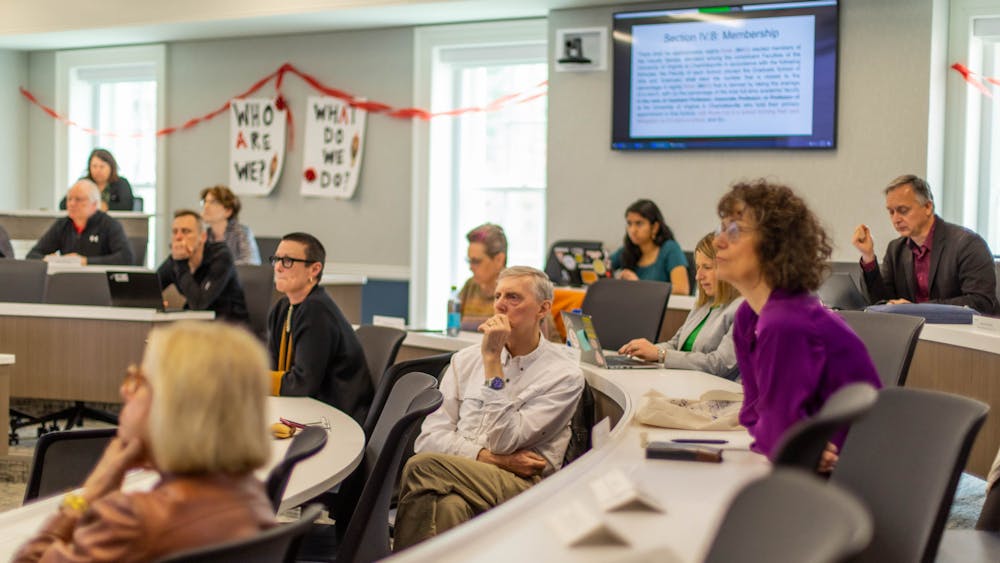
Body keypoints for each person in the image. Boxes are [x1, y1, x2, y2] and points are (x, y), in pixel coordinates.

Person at [13, 321, 275, 562]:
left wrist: (87, 495)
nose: (124, 391)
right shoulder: (251, 493)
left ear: (174, 407)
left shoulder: (134, 520)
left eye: (138, 381)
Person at [393, 266, 585, 550]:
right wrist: (493, 459)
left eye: (514, 297)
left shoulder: (563, 376)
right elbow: (428, 438)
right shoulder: (464, 360)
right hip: (468, 474)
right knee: (450, 506)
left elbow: (505, 440)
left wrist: (492, 360)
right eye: (498, 296)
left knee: (422, 467)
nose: (500, 305)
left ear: (543, 309)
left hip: (525, 486)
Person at [713, 179, 882, 468]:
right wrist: (784, 440)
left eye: (735, 231)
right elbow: (755, 419)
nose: (718, 240)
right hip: (810, 472)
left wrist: (786, 441)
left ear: (774, 246)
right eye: (722, 228)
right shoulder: (748, 317)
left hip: (857, 478)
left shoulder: (786, 323)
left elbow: (778, 437)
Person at [852, 174, 999, 315]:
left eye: (903, 210)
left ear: (928, 207)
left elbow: (981, 302)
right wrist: (868, 256)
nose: (896, 219)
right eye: (891, 212)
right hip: (918, 333)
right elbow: (881, 303)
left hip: (965, 336)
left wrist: (917, 309)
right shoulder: (896, 249)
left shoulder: (968, 244)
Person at [267, 232, 372, 425]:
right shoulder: (281, 309)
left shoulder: (316, 310)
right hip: (302, 412)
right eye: (276, 259)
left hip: (336, 420)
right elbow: (272, 366)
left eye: (288, 260)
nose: (278, 267)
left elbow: (302, 384)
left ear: (314, 269)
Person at [617, 232, 743, 379]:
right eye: (698, 267)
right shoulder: (703, 304)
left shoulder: (744, 310)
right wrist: (645, 349)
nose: (698, 276)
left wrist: (660, 355)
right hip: (688, 384)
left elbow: (719, 364)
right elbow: (675, 345)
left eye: (707, 267)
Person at [156, 209, 248, 323]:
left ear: (203, 237)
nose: (178, 237)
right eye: (175, 232)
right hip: (197, 326)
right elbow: (149, 288)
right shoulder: (174, 261)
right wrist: (153, 303)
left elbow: (199, 304)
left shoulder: (221, 257)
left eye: (185, 231)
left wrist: (181, 264)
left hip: (229, 327)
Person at [27, 180, 134, 265]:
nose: (72, 204)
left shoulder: (109, 225)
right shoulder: (63, 225)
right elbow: (32, 255)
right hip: (67, 282)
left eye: (78, 199)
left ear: (94, 204)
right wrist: (50, 260)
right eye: (69, 199)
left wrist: (85, 261)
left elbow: (126, 258)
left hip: (99, 282)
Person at [609, 199, 689, 294]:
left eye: (639, 224)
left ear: (654, 227)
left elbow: (682, 289)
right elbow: (599, 269)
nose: (632, 230)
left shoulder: (670, 248)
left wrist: (639, 285)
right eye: (629, 224)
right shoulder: (626, 250)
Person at [458, 223, 507, 330]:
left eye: (476, 261)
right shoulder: (470, 286)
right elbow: (454, 329)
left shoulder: (516, 291)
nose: (470, 267)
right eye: (469, 261)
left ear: (499, 260)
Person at [200, 185, 262, 265]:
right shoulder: (205, 235)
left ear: (228, 211)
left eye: (213, 202)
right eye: (205, 201)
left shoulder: (242, 232)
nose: (206, 206)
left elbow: (252, 264)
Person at [59, 148, 135, 212]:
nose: (98, 170)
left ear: (111, 167)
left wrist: (106, 207)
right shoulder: (83, 183)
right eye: (94, 166)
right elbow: (63, 205)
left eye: (102, 167)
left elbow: (127, 206)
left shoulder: (121, 183)